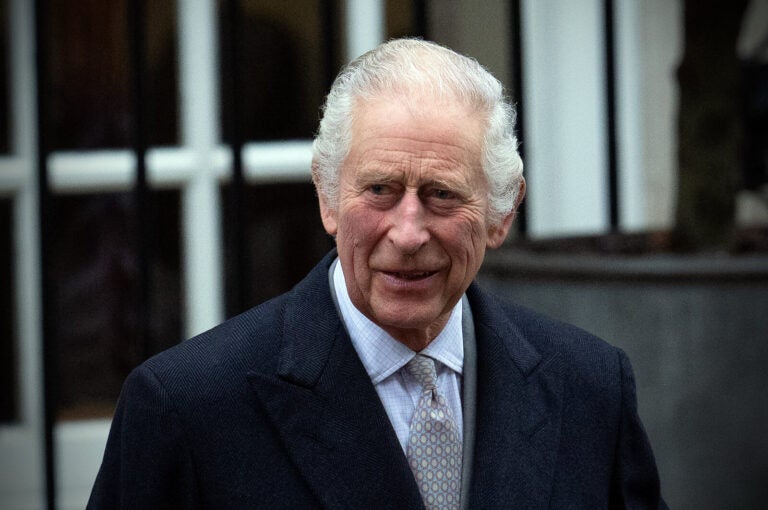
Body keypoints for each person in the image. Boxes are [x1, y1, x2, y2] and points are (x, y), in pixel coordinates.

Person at [88, 38, 666, 509]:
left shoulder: (589, 387)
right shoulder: (189, 406)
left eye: (442, 195)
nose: (409, 233)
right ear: (327, 198)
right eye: (380, 190)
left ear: (503, 214)